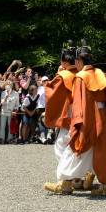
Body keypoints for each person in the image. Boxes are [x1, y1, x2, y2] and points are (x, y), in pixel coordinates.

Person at [58, 45, 106, 196]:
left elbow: (80, 103)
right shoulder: (100, 73)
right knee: (102, 150)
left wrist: (76, 122)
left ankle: (66, 183)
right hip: (102, 116)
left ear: (79, 60)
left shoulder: (80, 77)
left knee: (76, 149)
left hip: (88, 118)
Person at [44, 48, 79, 194]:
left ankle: (67, 180)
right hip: (79, 110)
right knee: (75, 144)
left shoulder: (63, 76)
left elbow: (52, 93)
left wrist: (46, 86)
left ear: (64, 62)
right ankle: (79, 178)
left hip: (68, 112)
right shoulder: (80, 73)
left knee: (61, 146)